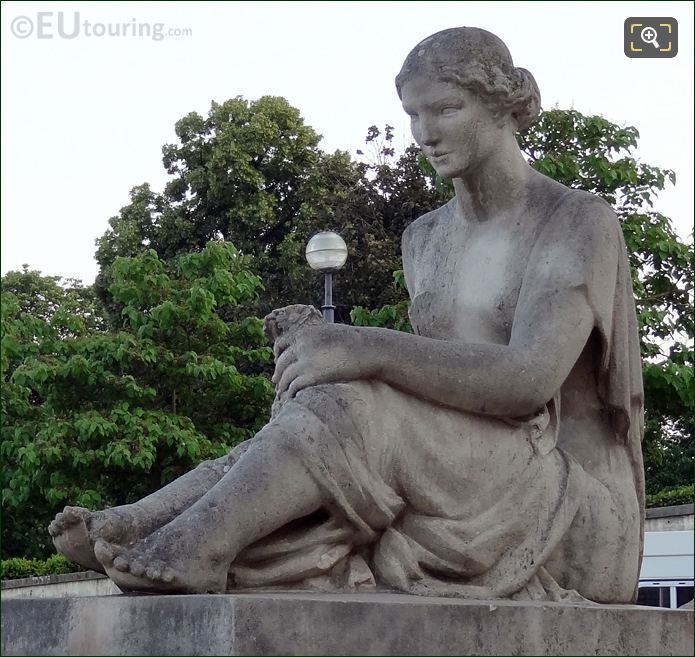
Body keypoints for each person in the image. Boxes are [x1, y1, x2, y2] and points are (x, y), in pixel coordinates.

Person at [49, 27, 645, 602]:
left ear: (504, 107)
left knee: (355, 397)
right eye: (413, 114)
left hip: (567, 504)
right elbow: (430, 397)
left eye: (446, 109)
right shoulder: (424, 238)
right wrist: (331, 356)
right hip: (470, 481)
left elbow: (527, 382)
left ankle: (197, 544)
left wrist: (366, 348)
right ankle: (154, 521)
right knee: (333, 397)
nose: (425, 133)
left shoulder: (575, 221)